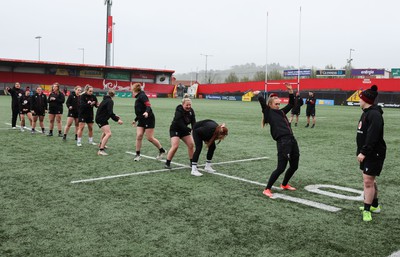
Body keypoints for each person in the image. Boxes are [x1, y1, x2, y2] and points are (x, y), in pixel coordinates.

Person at [254, 83, 300, 198]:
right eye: (276, 104)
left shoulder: (281, 112)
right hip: (283, 142)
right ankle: (267, 189)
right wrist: (258, 93)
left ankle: (284, 184)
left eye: (279, 103)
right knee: (281, 168)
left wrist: (290, 91)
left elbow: (291, 103)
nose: (278, 105)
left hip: (292, 140)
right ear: (270, 104)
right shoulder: (268, 112)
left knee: (294, 166)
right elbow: (261, 101)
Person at [356, 85, 386, 222]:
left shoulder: (374, 114)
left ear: (366, 100)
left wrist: (363, 152)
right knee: (370, 180)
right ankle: (374, 205)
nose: (359, 101)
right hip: (367, 153)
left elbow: (372, 136)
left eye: (360, 99)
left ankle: (367, 210)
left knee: (368, 181)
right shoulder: (366, 112)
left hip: (373, 154)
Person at [131, 82, 166, 161]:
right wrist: (135, 120)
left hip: (149, 118)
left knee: (149, 138)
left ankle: (162, 150)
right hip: (141, 119)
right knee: (139, 135)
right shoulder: (138, 97)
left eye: (132, 90)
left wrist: (146, 112)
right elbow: (140, 112)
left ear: (135, 90)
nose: (132, 92)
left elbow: (148, 105)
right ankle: (137, 155)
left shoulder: (142, 96)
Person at [164, 94, 196, 169]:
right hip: (175, 129)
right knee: (175, 146)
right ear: (182, 105)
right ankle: (167, 163)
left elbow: (193, 122)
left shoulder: (191, 111)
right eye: (186, 105)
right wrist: (190, 130)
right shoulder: (179, 110)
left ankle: (192, 162)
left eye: (189, 105)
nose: (188, 107)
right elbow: (180, 124)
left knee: (191, 144)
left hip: (184, 130)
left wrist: (194, 130)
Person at [95, 89, 123, 156]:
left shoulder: (105, 100)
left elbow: (107, 111)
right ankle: (101, 150)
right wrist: (117, 120)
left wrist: (115, 115)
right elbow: (110, 113)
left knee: (105, 132)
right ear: (114, 95)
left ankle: (101, 145)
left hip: (101, 118)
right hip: (101, 119)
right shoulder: (110, 101)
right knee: (108, 133)